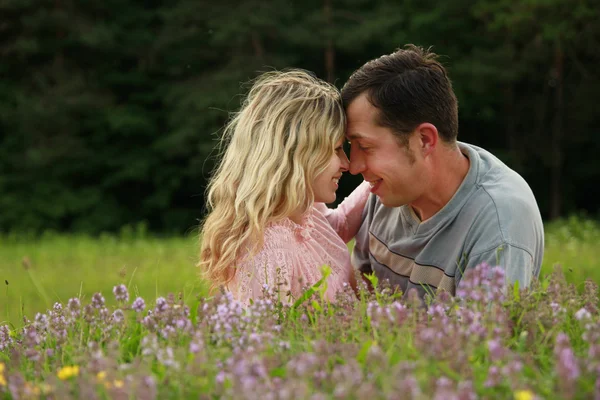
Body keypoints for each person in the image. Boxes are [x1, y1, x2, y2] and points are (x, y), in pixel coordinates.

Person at [342, 45, 544, 299]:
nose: (354, 165)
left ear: (425, 140)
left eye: (366, 147)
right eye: (351, 146)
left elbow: (483, 337)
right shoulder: (385, 191)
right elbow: (359, 299)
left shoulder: (499, 221)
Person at [199, 69, 371, 305]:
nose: (347, 164)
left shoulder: (305, 211)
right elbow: (271, 335)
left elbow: (339, 226)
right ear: (297, 155)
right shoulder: (267, 249)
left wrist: (377, 177)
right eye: (335, 149)